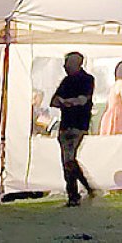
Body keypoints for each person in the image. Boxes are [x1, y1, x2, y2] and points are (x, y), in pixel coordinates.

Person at [50, 52, 99, 207]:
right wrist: (68, 102)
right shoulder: (66, 81)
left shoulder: (87, 80)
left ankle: (78, 193)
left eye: (67, 63)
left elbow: (83, 100)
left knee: (69, 159)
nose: (65, 66)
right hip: (66, 125)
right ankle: (80, 191)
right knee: (67, 160)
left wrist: (66, 102)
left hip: (78, 125)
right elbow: (54, 101)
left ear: (77, 64)